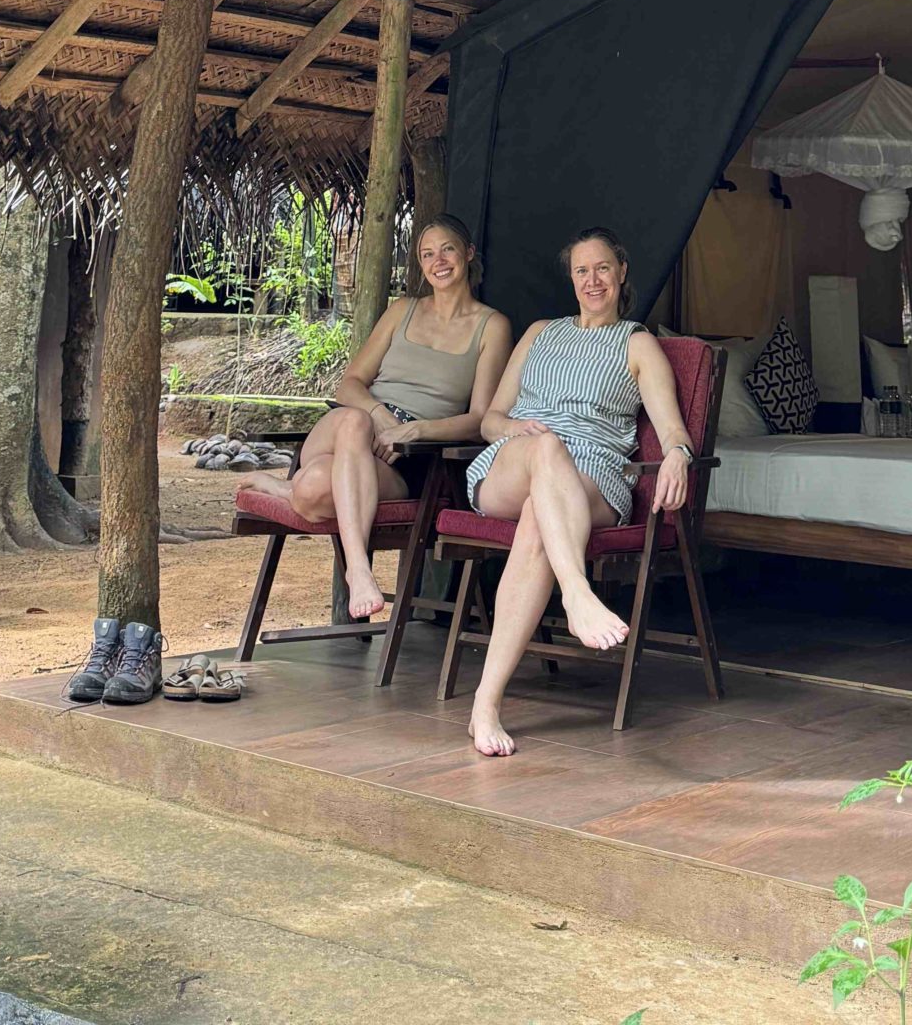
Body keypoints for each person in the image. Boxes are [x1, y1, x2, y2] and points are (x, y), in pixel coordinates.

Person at [461, 227, 694, 757]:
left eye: (603, 268)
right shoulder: (540, 332)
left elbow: (672, 427)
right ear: (571, 279)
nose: (593, 280)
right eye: (582, 271)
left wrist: (678, 453)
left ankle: (485, 703)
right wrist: (514, 431)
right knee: (545, 450)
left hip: (594, 473)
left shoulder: (637, 343)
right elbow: (492, 418)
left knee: (538, 520)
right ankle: (577, 594)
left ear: (622, 273)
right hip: (515, 460)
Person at [286, 214, 510, 622]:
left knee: (315, 489)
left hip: (408, 454)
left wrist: (416, 430)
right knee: (354, 422)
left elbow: (480, 419)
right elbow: (350, 384)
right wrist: (380, 417)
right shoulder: (402, 310)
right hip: (351, 426)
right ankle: (359, 568)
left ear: (468, 253)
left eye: (447, 249)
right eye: (427, 254)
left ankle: (283, 489)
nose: (438, 260)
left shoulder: (491, 326)